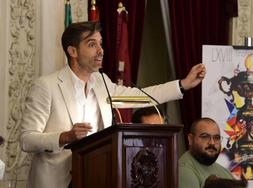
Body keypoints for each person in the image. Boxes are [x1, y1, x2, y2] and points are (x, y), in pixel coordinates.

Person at [20, 21, 206, 188]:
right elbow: (27, 139)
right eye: (92, 44)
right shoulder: (47, 86)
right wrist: (65, 137)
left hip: (96, 178)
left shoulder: (102, 82)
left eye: (100, 43)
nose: (101, 50)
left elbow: (141, 96)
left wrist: (182, 84)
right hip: (57, 182)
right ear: (73, 51)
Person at [179, 117, 234, 188]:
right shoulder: (184, 170)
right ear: (191, 139)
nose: (212, 143)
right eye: (205, 137)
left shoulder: (226, 173)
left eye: (216, 138)